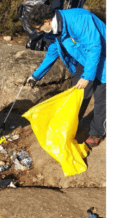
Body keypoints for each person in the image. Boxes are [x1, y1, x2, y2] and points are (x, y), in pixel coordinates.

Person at [26, 5, 106, 148]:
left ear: (46, 21)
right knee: (78, 93)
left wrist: (87, 76)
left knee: (101, 98)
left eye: (38, 27)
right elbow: (52, 52)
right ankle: (71, 126)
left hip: (104, 56)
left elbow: (95, 47)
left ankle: (97, 132)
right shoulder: (55, 30)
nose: (38, 31)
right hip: (85, 58)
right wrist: (35, 76)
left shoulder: (78, 19)